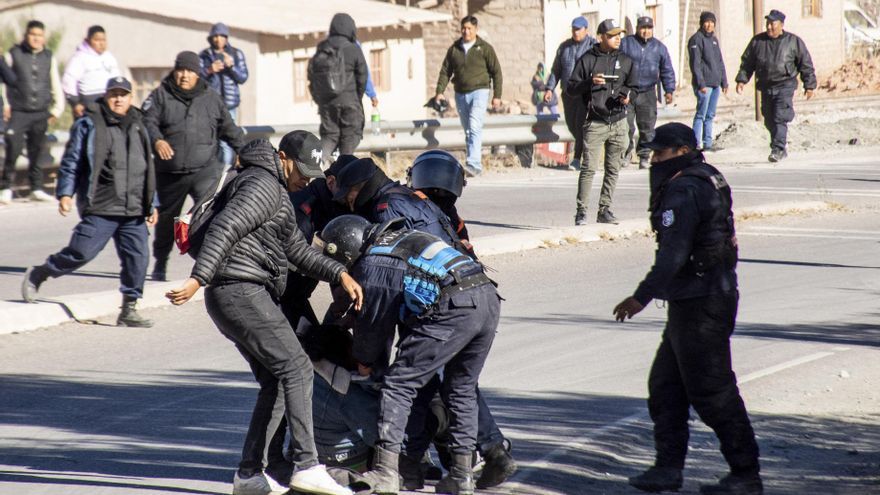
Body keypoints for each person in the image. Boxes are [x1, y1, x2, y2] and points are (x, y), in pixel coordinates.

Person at [165, 139, 363, 495]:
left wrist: (340, 274)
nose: (308, 181)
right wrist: (198, 278)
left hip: (237, 293)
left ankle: (249, 475)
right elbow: (225, 228)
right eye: (303, 171)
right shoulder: (262, 184)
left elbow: (298, 252)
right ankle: (307, 465)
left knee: (277, 380)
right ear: (283, 159)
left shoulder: (276, 193)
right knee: (298, 368)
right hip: (239, 289)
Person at [613, 123, 761, 495]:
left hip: (703, 302)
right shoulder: (707, 177)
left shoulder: (685, 188)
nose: (653, 160)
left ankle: (745, 473)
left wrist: (641, 297)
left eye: (659, 154)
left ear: (680, 151)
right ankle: (667, 469)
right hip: (695, 298)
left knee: (712, 391)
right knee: (666, 387)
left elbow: (674, 254)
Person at [316, 215, 500, 495]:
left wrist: (363, 362)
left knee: (398, 385)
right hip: (486, 297)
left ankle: (387, 472)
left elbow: (370, 342)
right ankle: (462, 476)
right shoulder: (399, 238)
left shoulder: (372, 265)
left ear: (346, 252)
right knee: (460, 388)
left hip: (454, 305)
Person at [21, 77, 156, 327]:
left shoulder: (140, 125)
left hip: (134, 208)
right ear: (106, 96)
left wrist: (152, 202)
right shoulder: (89, 124)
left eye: (123, 94)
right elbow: (72, 161)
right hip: (101, 206)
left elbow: (146, 167)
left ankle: (129, 309)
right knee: (80, 253)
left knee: (138, 259)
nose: (118, 99)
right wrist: (65, 193)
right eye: (114, 94)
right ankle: (40, 273)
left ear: (130, 98)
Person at [143, 50, 245, 282]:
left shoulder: (210, 97)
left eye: (190, 71)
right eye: (181, 70)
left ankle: (214, 263)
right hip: (171, 173)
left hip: (205, 169)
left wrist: (243, 151)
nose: (185, 75)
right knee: (167, 222)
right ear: (175, 71)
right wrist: (157, 140)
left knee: (212, 215)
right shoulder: (161, 95)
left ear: (198, 74)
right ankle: (161, 263)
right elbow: (146, 121)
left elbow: (229, 128)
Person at [567, 18, 637, 226]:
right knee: (589, 168)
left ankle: (604, 209)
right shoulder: (587, 59)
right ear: (601, 37)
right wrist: (589, 82)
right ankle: (581, 212)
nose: (618, 39)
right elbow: (571, 88)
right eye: (613, 35)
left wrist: (627, 96)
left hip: (618, 121)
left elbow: (634, 86)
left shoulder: (626, 60)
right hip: (595, 122)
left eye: (619, 35)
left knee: (613, 168)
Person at [735, 9, 816, 163]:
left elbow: (805, 64)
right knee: (769, 118)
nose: (769, 27)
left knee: (780, 116)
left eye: (773, 24)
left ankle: (777, 148)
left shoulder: (793, 41)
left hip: (785, 84)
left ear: (781, 25)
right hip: (766, 86)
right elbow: (747, 63)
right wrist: (742, 79)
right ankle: (779, 147)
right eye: (768, 24)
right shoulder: (758, 42)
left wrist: (809, 85)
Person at [1, 20, 65, 204]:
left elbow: (55, 83)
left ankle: (36, 188)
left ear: (44, 38)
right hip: (18, 111)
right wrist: (6, 104)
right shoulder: (13, 54)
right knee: (13, 148)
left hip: (40, 111)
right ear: (26, 35)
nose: (36, 38)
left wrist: (57, 109)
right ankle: (6, 188)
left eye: (39, 35)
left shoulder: (48, 57)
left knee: (36, 150)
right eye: (32, 35)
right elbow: (3, 82)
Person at [434, 15, 503, 177]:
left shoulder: (484, 48)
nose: (466, 31)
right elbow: (445, 71)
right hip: (460, 93)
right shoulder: (455, 49)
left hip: (480, 91)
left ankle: (474, 164)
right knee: (468, 130)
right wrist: (439, 92)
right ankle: (471, 163)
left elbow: (496, 72)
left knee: (474, 126)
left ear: (475, 30)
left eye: (469, 28)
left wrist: (497, 95)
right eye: (463, 28)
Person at [310, 14, 368, 165]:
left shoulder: (322, 47)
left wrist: (320, 100)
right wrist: (357, 97)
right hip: (350, 103)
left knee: (329, 136)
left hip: (327, 104)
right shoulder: (353, 49)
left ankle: (314, 168)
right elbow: (362, 77)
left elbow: (311, 74)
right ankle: (343, 175)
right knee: (349, 140)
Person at [620, 16, 676, 170]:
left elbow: (667, 70)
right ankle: (625, 154)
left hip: (648, 92)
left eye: (649, 28)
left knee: (647, 127)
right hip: (627, 91)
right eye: (643, 28)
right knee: (625, 126)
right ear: (637, 28)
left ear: (653, 29)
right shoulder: (626, 44)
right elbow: (615, 63)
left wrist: (669, 90)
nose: (646, 31)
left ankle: (644, 155)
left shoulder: (659, 48)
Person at [545, 16, 597, 171]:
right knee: (572, 125)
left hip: (585, 93)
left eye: (579, 29)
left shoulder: (593, 46)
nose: (576, 32)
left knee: (581, 124)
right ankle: (587, 149)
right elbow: (556, 70)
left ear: (585, 30)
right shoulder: (564, 48)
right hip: (568, 93)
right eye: (574, 29)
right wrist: (549, 88)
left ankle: (577, 158)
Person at [199, 22, 249, 168]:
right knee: (212, 141)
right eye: (215, 36)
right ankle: (217, 170)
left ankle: (224, 170)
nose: (218, 39)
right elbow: (195, 79)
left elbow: (243, 77)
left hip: (230, 106)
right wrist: (209, 70)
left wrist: (231, 66)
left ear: (226, 38)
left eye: (221, 36)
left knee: (227, 140)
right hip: (209, 106)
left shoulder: (236, 53)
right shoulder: (205, 55)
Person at [62, 25, 123, 119]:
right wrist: (75, 103)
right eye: (97, 40)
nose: (101, 43)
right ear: (88, 40)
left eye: (103, 40)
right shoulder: (79, 58)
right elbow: (68, 81)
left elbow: (118, 79)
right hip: (89, 104)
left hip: (109, 103)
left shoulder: (109, 57)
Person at [688, 12, 728, 152]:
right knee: (701, 114)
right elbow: (695, 65)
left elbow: (719, 62)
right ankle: (696, 143)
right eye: (707, 22)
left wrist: (724, 82)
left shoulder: (714, 40)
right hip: (704, 85)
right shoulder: (696, 40)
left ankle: (708, 143)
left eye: (712, 22)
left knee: (710, 115)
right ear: (702, 23)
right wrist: (701, 84)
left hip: (715, 84)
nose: (709, 25)